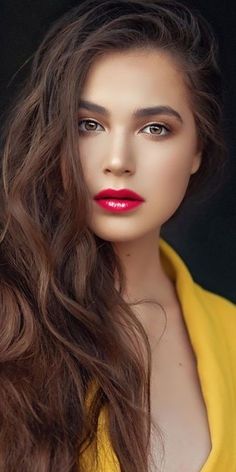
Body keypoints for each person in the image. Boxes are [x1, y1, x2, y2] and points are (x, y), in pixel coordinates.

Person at [0, 0, 235, 471]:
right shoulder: (11, 318)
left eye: (154, 128)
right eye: (89, 125)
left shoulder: (230, 332)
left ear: (197, 150)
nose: (117, 160)